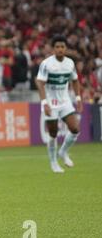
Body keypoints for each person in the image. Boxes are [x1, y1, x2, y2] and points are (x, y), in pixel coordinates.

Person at [36, 35, 82, 173]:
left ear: (66, 48)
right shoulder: (46, 64)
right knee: (53, 133)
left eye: (62, 47)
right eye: (57, 47)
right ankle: (53, 162)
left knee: (75, 129)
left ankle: (63, 152)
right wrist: (44, 102)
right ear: (53, 49)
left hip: (65, 100)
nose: (60, 49)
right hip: (50, 101)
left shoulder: (70, 63)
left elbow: (75, 80)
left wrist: (78, 98)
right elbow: (40, 83)